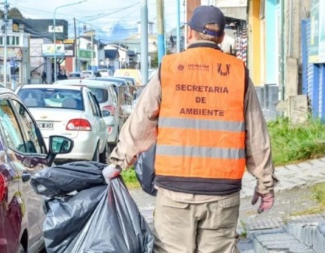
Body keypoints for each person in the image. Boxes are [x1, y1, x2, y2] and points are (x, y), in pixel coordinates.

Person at [103, 5, 278, 253]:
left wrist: (119, 162)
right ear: (220, 37)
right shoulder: (238, 73)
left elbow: (142, 121)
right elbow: (257, 135)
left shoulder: (170, 68)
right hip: (222, 192)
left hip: (175, 191)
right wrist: (265, 184)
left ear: (189, 34)